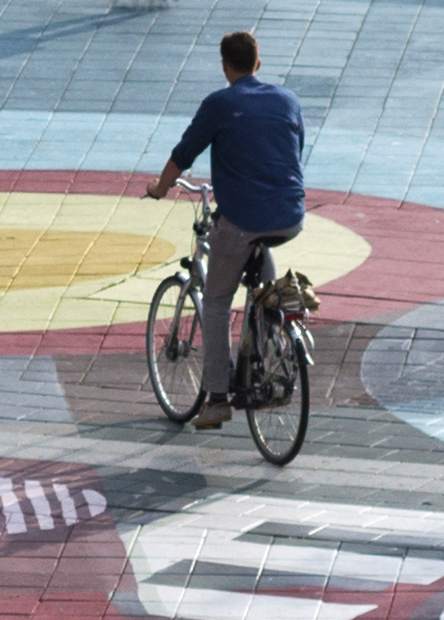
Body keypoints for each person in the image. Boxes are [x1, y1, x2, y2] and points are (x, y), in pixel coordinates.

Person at [145, 30, 304, 430]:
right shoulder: (288, 100)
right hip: (289, 215)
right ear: (258, 63)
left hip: (243, 220)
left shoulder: (219, 104)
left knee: (216, 301)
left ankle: (217, 398)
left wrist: (159, 188)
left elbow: (183, 154)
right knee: (262, 287)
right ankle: (270, 345)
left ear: (224, 66)